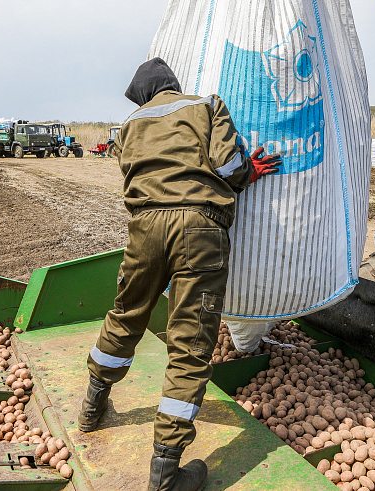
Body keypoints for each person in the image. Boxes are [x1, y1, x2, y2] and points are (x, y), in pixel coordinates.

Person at [77, 57, 281, 491]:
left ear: (144, 95)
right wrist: (249, 172)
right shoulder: (206, 104)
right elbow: (228, 168)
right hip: (199, 228)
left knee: (126, 313)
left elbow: (134, 178)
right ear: (172, 84)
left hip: (144, 228)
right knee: (190, 345)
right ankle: (166, 474)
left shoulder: (130, 125)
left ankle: (91, 409)